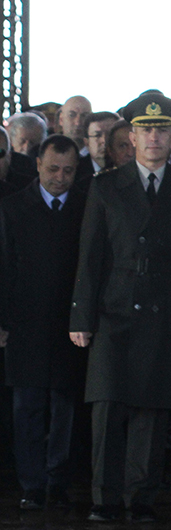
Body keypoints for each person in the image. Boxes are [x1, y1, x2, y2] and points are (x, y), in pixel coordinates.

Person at [69, 91, 171, 523]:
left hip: (164, 311)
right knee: (108, 408)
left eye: (162, 130)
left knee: (153, 409)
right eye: (146, 129)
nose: (154, 137)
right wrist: (81, 316)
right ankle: (104, 497)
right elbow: (90, 257)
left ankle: (141, 498)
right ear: (131, 136)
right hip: (114, 310)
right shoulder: (105, 186)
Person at [0, 135, 86, 510]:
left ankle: (57, 479)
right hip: (25, 323)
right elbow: (3, 268)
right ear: (37, 164)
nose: (60, 178)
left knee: (65, 405)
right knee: (28, 407)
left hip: (70, 322)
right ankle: (32, 483)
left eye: (68, 171)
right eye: (53, 169)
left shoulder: (85, 208)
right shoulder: (13, 208)